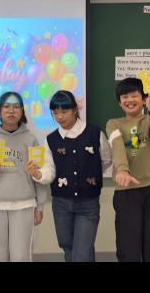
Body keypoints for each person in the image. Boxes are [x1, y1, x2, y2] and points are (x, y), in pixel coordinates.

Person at [28, 90, 112, 262]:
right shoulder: (51, 140)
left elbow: (106, 160)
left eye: (64, 111)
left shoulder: (95, 133)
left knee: (82, 252)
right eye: (55, 112)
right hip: (61, 203)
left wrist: (90, 174)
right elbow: (50, 170)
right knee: (68, 247)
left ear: (75, 110)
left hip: (88, 202)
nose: (59, 116)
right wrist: (38, 174)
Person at [0, 91, 47, 262]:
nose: (11, 111)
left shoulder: (31, 139)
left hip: (24, 204)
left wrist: (40, 207)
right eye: (6, 106)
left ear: (22, 111)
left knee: (21, 255)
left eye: (16, 107)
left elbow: (39, 175)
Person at [106, 77, 150, 262]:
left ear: (143, 99)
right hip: (126, 190)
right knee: (128, 243)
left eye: (134, 95)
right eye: (125, 97)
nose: (129, 100)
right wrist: (122, 170)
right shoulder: (113, 124)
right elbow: (117, 146)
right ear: (119, 102)